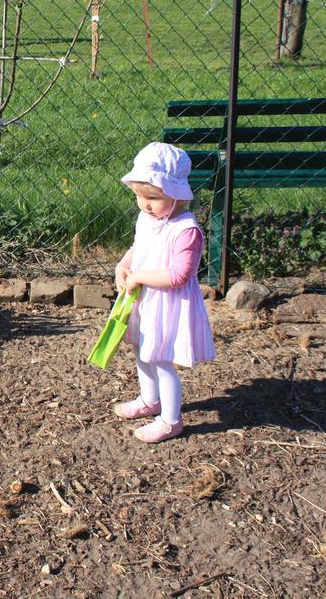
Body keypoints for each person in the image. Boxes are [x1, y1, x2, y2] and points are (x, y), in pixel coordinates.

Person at [112, 142, 215, 443]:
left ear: (177, 193)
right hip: (145, 299)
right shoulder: (149, 218)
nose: (144, 204)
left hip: (168, 304)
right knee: (141, 350)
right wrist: (124, 264)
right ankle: (149, 399)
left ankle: (171, 420)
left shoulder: (186, 230)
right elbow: (139, 247)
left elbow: (179, 275)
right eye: (139, 196)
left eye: (153, 197)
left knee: (161, 358)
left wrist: (139, 276)